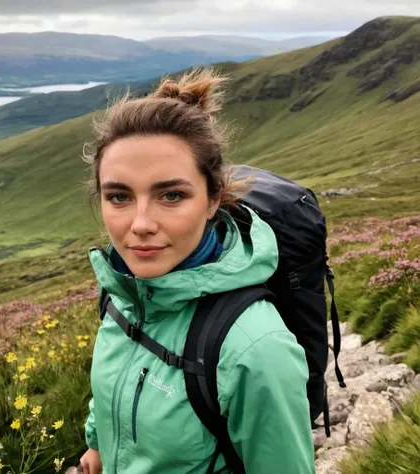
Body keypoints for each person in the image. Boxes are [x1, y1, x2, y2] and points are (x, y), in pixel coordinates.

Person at [79, 68, 315, 474]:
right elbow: (113, 384)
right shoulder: (124, 292)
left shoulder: (254, 348)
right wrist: (97, 444)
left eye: (171, 195)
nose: (140, 224)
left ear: (212, 200)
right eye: (118, 196)